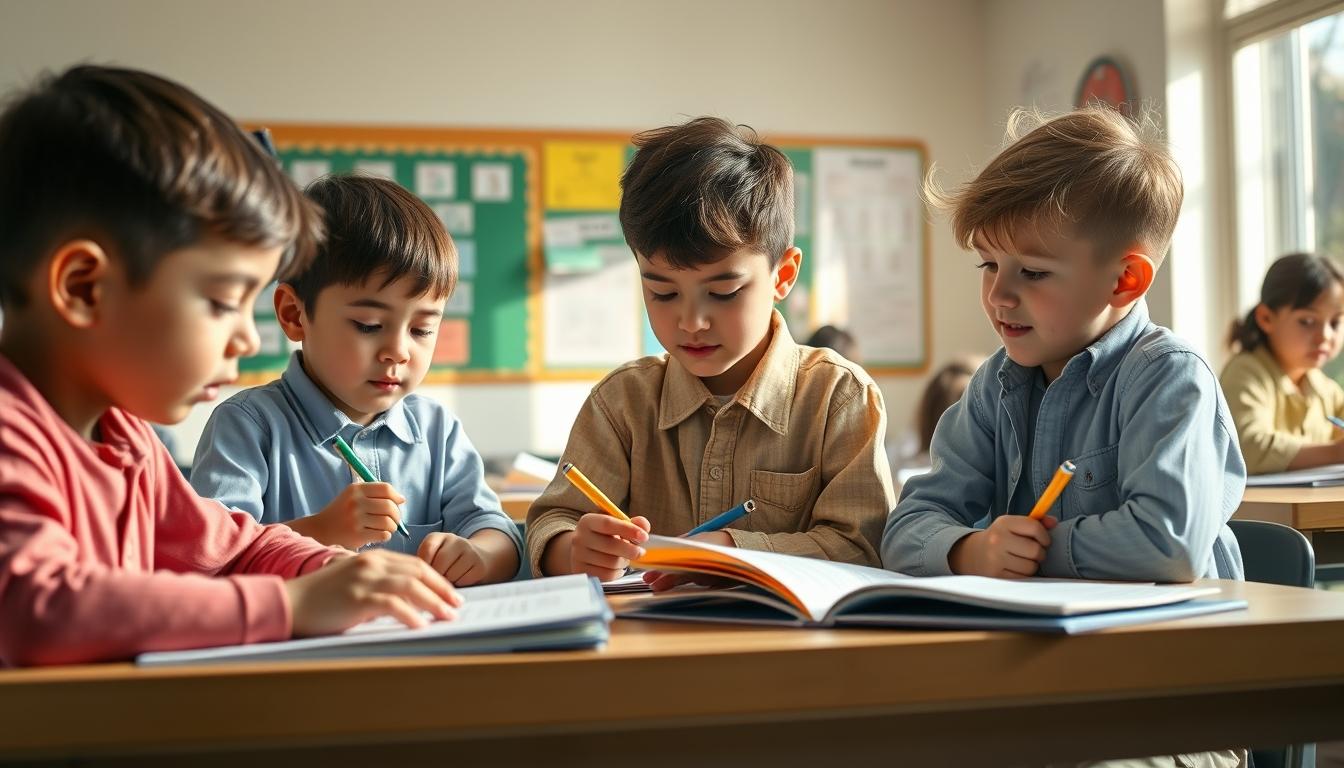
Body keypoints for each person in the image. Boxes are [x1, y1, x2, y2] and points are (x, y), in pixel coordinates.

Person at [0, 66, 458, 666]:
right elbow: (41, 607)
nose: (246, 336)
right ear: (85, 288)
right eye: (221, 301)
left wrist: (333, 569)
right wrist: (290, 607)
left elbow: (231, 548)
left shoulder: (126, 435)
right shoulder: (12, 434)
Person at [883, 106, 1245, 588]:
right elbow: (906, 528)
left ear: (1125, 280)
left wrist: (1029, 551)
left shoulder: (1169, 377)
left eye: (1032, 272)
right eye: (988, 265)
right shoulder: (996, 385)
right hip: (1047, 643)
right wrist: (973, 550)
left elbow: (1167, 543)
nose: (998, 295)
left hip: (1172, 651)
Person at [527, 117, 895, 586]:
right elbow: (550, 522)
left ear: (782, 276)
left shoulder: (838, 397)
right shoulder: (622, 402)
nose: (691, 322)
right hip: (646, 650)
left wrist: (733, 553)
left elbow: (862, 547)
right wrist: (574, 548)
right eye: (662, 293)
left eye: (722, 293)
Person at [191, 174, 522, 586]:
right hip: (303, 647)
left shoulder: (437, 429)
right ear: (295, 315)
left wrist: (480, 554)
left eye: (421, 330)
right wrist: (323, 532)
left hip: (422, 644)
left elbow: (495, 528)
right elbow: (209, 561)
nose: (399, 351)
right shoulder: (247, 426)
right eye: (368, 325)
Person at [1220, 252, 1344, 474]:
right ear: (1266, 318)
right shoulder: (1246, 372)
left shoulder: (1326, 389)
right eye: (1307, 321)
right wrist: (1335, 453)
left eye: (1335, 323)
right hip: (1257, 509)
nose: (1325, 336)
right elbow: (1246, 447)